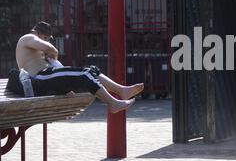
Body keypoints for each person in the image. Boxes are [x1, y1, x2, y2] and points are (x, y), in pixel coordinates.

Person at [15, 21, 144, 113]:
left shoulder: (33, 48)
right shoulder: (28, 37)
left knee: (92, 71)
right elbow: (50, 48)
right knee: (85, 73)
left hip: (47, 78)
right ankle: (113, 103)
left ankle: (121, 90)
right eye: (46, 37)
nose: (47, 40)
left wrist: (66, 87)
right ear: (38, 32)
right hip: (40, 77)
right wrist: (54, 54)